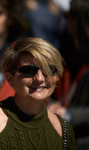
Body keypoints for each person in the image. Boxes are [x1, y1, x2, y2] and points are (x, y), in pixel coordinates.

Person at [48, 0, 89, 149]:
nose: (66, 19)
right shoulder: (68, 49)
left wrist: (69, 114)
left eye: (70, 15)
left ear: (83, 19)